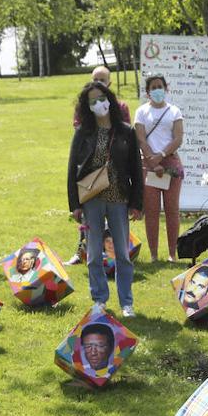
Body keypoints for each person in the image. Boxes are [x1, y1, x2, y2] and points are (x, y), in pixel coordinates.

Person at [69, 81, 144, 317]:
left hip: (119, 198)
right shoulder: (83, 133)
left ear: (110, 99)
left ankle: (126, 303)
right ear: (87, 106)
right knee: (92, 254)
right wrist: (75, 205)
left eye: (102, 98)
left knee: (122, 253)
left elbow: (136, 169)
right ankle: (99, 299)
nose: (99, 103)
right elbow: (73, 168)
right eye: (93, 101)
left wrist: (136, 203)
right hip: (92, 199)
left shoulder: (126, 132)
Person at [67, 66, 132, 266]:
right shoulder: (83, 106)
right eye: (96, 79)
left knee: (116, 220)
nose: (100, 83)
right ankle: (82, 251)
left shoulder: (121, 107)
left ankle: (116, 255)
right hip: (91, 174)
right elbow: (80, 130)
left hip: (115, 176)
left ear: (110, 83)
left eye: (103, 80)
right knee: (89, 220)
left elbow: (126, 136)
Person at [135, 74, 184, 262]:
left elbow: (178, 138)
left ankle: (173, 254)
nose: (157, 90)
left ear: (166, 88)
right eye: (153, 87)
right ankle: (154, 255)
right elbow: (140, 138)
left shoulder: (174, 111)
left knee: (172, 210)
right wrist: (152, 161)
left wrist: (161, 156)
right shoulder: (141, 112)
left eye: (160, 86)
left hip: (170, 163)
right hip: (148, 165)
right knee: (152, 211)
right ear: (148, 92)